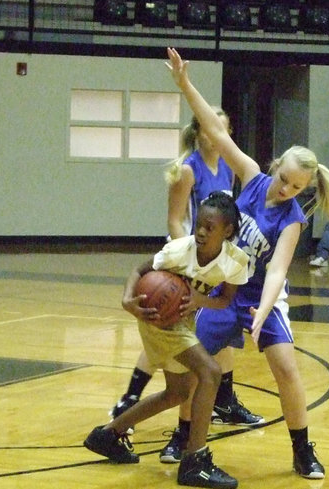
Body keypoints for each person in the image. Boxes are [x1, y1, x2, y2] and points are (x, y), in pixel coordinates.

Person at [167, 47, 329, 479]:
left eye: (296, 186)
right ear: (275, 168)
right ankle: (182, 436)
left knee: (287, 368)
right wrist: (185, 86)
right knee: (191, 366)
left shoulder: (293, 218)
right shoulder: (251, 177)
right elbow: (215, 129)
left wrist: (265, 312)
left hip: (260, 299)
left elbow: (277, 271)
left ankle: (302, 449)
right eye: (285, 179)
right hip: (223, 291)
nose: (287, 189)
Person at [109, 110, 264, 434]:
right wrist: (194, 256)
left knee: (216, 332)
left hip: (207, 260)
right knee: (167, 320)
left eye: (220, 128)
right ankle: (129, 400)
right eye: (208, 128)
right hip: (182, 258)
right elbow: (175, 219)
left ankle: (225, 399)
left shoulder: (226, 167)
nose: (213, 134)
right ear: (199, 132)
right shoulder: (187, 169)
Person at [84, 192, 249, 489]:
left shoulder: (236, 262)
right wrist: (127, 300)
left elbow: (225, 301)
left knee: (177, 393)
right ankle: (194, 462)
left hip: (182, 322)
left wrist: (199, 300)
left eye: (209, 227)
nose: (200, 231)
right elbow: (139, 270)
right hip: (157, 319)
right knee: (210, 372)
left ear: (228, 231)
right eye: (199, 224)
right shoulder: (177, 251)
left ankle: (108, 435)